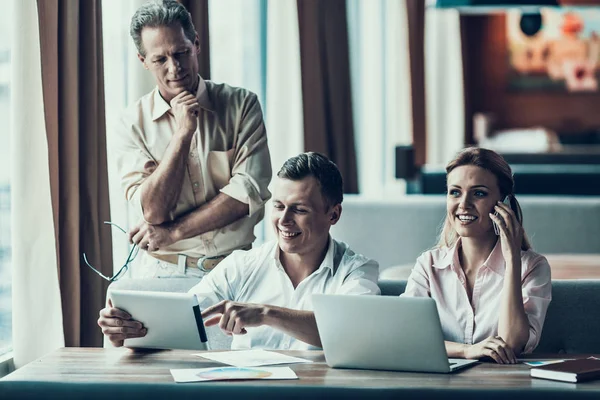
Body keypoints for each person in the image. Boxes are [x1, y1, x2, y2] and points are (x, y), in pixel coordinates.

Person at [99, 153, 380, 349]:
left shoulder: (356, 270)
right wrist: (125, 334)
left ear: (333, 214)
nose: (283, 220)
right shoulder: (241, 265)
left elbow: (350, 331)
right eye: (279, 206)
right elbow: (181, 321)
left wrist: (266, 314)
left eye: (300, 209)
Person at [113, 0, 272, 278]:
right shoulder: (130, 124)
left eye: (181, 52)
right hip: (165, 272)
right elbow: (153, 211)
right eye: (160, 59)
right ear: (143, 62)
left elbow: (246, 195)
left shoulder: (242, 104)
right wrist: (183, 134)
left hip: (238, 270)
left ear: (196, 44)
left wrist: (173, 232)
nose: (174, 68)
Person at [402, 147, 551, 364]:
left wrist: (512, 262)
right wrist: (466, 350)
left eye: (478, 193)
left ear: (504, 203)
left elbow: (511, 343)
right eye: (455, 192)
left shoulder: (533, 267)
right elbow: (406, 338)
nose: (463, 204)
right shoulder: (428, 265)